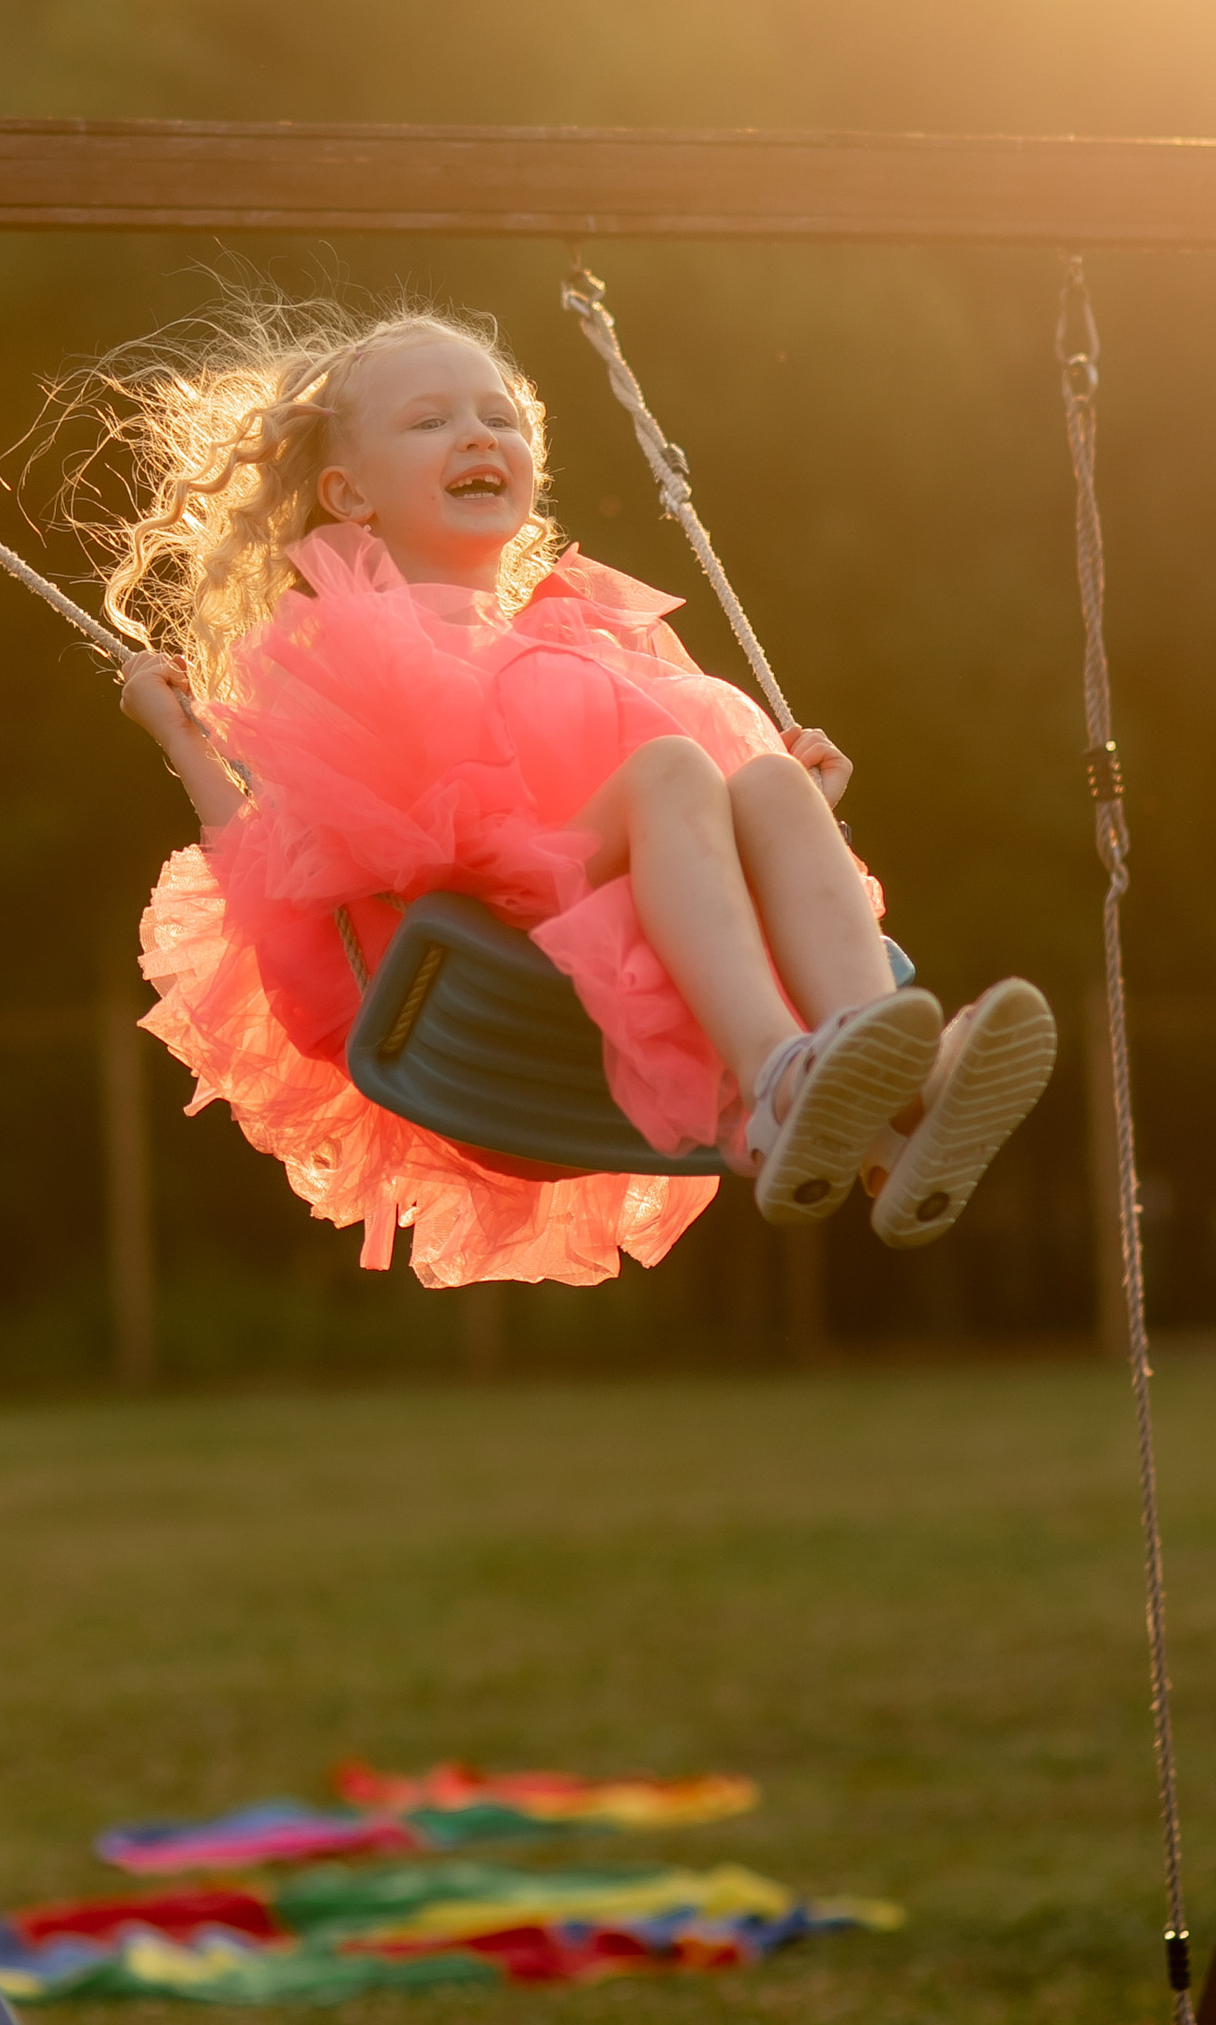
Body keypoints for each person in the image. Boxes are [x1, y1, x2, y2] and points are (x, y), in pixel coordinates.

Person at [59, 294, 1054, 1293]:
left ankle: (896, 1108)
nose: (476, 434)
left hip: (625, 927)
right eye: (430, 420)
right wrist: (184, 742)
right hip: (493, 959)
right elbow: (278, 866)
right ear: (348, 494)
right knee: (672, 770)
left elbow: (693, 838)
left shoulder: (583, 643)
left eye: (498, 416)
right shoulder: (344, 649)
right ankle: (776, 1081)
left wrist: (794, 813)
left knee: (768, 782)